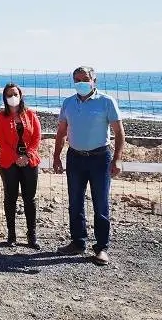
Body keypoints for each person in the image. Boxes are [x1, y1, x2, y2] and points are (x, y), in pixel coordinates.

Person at [53, 66, 125, 266]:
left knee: (101, 204)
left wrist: (117, 159)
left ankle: (102, 248)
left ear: (94, 80)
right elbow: (61, 132)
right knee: (75, 203)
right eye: (77, 80)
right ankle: (78, 242)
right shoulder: (68, 103)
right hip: (75, 158)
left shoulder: (106, 101)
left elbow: (119, 133)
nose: (81, 83)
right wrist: (56, 156)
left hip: (99, 158)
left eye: (85, 79)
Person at [0, 83, 42, 249]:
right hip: (8, 162)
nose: (12, 97)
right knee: (10, 197)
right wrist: (16, 157)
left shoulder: (31, 114)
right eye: (8, 94)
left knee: (30, 198)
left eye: (15, 93)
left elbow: (36, 138)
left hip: (30, 161)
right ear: (5, 98)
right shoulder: (0, 117)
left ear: (20, 95)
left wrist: (27, 155)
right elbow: (0, 141)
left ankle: (31, 235)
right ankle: (11, 234)